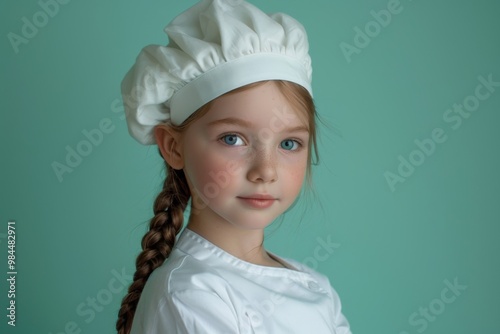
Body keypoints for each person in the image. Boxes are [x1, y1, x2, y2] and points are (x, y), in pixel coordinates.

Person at [116, 0, 351, 333]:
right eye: (233, 139)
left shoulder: (316, 286)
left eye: (288, 144)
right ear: (173, 146)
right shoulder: (189, 294)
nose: (265, 171)